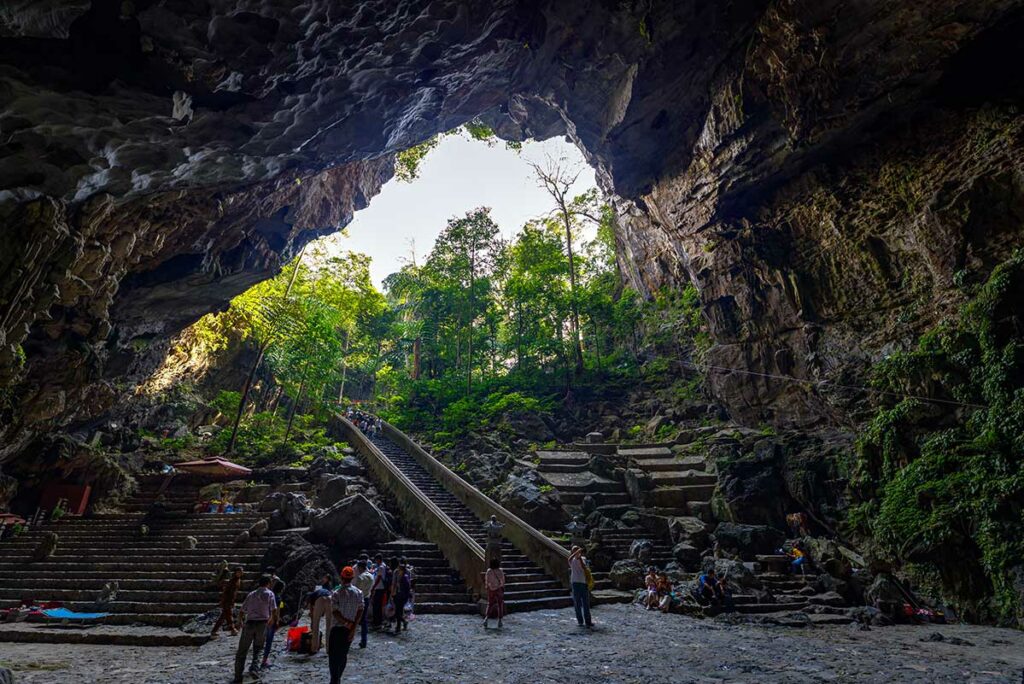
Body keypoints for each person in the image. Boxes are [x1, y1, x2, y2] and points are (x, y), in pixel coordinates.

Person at [233, 575, 277, 683]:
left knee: (242, 651)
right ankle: (254, 668)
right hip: (262, 624)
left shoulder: (251, 594)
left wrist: (240, 621)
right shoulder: (270, 594)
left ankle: (238, 676)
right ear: (268, 583)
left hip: (249, 624)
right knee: (258, 648)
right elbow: (274, 609)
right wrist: (272, 619)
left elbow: (242, 610)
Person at [328, 566, 364, 684]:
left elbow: (335, 612)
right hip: (349, 630)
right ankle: (338, 678)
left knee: (333, 656)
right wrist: (353, 627)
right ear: (352, 578)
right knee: (343, 655)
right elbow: (360, 610)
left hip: (337, 628)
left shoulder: (336, 593)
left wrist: (345, 622)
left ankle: (334, 679)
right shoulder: (358, 593)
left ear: (341, 577)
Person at [211, 566, 243, 636]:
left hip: (230, 601)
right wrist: (223, 601)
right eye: (238, 572)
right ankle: (233, 629)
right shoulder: (232, 581)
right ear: (235, 573)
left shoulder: (238, 580)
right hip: (227, 601)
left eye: (241, 572)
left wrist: (233, 601)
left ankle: (214, 631)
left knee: (223, 616)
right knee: (229, 615)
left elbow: (234, 593)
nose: (240, 573)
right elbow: (226, 592)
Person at [568, 546, 593, 628]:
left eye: (577, 550)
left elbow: (584, 567)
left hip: (583, 582)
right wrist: (575, 554)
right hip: (575, 583)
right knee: (577, 603)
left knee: (586, 603)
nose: (576, 552)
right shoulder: (572, 560)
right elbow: (569, 559)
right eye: (574, 550)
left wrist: (580, 558)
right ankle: (580, 621)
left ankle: (588, 621)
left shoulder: (583, 558)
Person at [354, 560, 374, 648]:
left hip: (359, 600)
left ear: (360, 568)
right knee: (364, 620)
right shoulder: (371, 576)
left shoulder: (360, 578)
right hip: (367, 598)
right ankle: (364, 640)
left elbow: (356, 591)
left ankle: (349, 637)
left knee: (355, 619)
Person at [483, 556, 505, 629]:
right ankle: (500, 620)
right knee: (500, 604)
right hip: (499, 589)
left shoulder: (489, 571)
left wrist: (488, 587)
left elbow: (487, 580)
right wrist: (500, 586)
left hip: (491, 589)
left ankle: (486, 619)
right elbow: (502, 580)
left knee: (490, 604)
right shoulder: (500, 571)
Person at [391, 563, 412, 635]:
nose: (398, 570)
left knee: (398, 611)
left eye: (399, 569)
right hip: (398, 594)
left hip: (402, 596)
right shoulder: (398, 575)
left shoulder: (405, 577)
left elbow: (407, 587)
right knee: (398, 611)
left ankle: (398, 627)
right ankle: (403, 622)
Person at [370, 555, 388, 630]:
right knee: (377, 605)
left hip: (379, 587)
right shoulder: (381, 566)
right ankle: (377, 621)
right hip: (379, 587)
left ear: (379, 559)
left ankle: (377, 621)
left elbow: (379, 578)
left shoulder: (381, 567)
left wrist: (373, 587)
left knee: (377, 605)